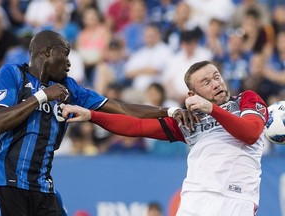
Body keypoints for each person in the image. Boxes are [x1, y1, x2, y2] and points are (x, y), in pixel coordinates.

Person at [0, 30, 170, 216]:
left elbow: (121, 108)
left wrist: (168, 112)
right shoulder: (13, 73)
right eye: (65, 54)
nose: (69, 63)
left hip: (42, 186)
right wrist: (42, 97)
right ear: (47, 51)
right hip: (7, 183)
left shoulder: (69, 88)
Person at [62, 60, 269, 216]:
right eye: (205, 82)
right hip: (194, 200)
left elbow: (250, 134)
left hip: (236, 200)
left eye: (216, 76)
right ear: (192, 95)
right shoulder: (189, 121)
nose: (215, 84)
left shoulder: (246, 100)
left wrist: (212, 109)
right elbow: (137, 126)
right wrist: (91, 116)